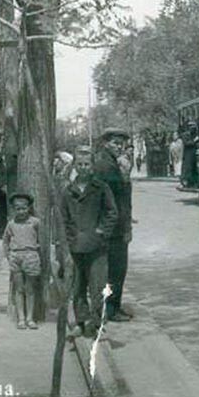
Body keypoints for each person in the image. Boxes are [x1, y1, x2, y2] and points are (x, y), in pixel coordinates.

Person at [63, 148, 117, 338]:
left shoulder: (101, 188)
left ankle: (96, 324)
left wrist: (102, 231)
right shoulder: (69, 190)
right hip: (76, 246)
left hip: (97, 247)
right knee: (78, 287)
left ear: (92, 166)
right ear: (75, 166)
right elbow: (64, 217)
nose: (83, 168)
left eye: (87, 164)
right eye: (80, 164)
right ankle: (80, 322)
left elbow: (111, 212)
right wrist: (70, 238)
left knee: (98, 286)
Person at [95, 128, 134, 322]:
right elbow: (117, 199)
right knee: (116, 269)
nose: (120, 147)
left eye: (122, 144)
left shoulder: (109, 163)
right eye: (116, 143)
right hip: (114, 227)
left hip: (113, 224)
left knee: (114, 269)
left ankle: (112, 306)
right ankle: (111, 309)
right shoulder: (107, 166)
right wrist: (125, 177)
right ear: (106, 143)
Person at [2, 193, 42, 330]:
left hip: (31, 255)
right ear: (14, 209)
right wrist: (9, 256)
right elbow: (5, 241)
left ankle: (30, 318)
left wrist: (38, 254)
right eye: (18, 209)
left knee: (30, 289)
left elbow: (41, 240)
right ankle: (21, 318)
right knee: (19, 289)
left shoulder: (35, 222)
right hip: (16, 256)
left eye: (24, 208)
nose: (21, 211)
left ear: (29, 208)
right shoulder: (11, 224)